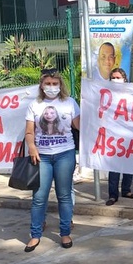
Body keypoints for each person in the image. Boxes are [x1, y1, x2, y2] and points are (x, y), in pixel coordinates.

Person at [24, 68, 80, 253]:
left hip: (65, 154)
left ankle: (64, 232)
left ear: (60, 85)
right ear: (41, 85)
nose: (51, 87)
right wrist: (31, 146)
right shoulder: (35, 105)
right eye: (47, 83)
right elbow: (30, 131)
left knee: (64, 195)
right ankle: (35, 235)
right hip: (42, 157)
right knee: (39, 198)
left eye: (55, 84)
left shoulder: (70, 103)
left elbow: (80, 126)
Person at [106, 67, 133, 206]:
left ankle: (126, 189)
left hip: (129, 134)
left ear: (124, 79)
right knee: (114, 166)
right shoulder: (107, 96)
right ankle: (113, 195)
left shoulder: (132, 95)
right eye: (113, 77)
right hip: (113, 135)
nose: (116, 80)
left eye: (118, 77)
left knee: (129, 165)